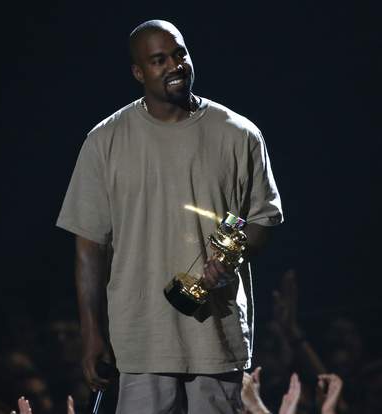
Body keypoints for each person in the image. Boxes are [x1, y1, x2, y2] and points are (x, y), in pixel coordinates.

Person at [56, 19, 283, 413]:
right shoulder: (104, 140)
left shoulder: (239, 133)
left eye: (180, 54)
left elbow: (263, 218)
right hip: (140, 341)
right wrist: (91, 334)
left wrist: (232, 257)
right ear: (138, 72)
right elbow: (89, 246)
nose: (175, 66)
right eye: (159, 60)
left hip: (216, 339)